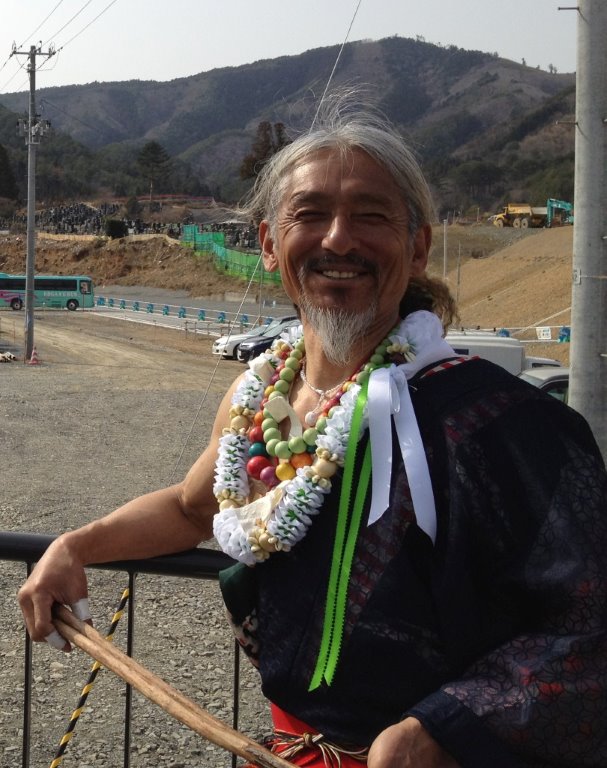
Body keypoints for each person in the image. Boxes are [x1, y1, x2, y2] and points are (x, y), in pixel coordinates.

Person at [19, 98, 607, 768]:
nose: (338, 240)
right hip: (290, 750)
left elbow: (590, 628)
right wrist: (74, 546)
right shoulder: (257, 398)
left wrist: (443, 729)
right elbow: (189, 509)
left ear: (417, 247)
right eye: (310, 214)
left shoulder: (507, 420)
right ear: (270, 245)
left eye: (371, 216)